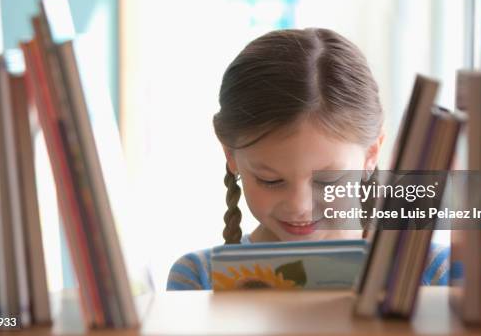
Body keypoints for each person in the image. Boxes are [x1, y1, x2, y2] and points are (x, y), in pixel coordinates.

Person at [166, 28, 450, 290]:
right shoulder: (198, 279)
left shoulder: (439, 274)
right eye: (270, 180)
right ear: (230, 155)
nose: (300, 207)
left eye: (328, 180)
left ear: (371, 154)